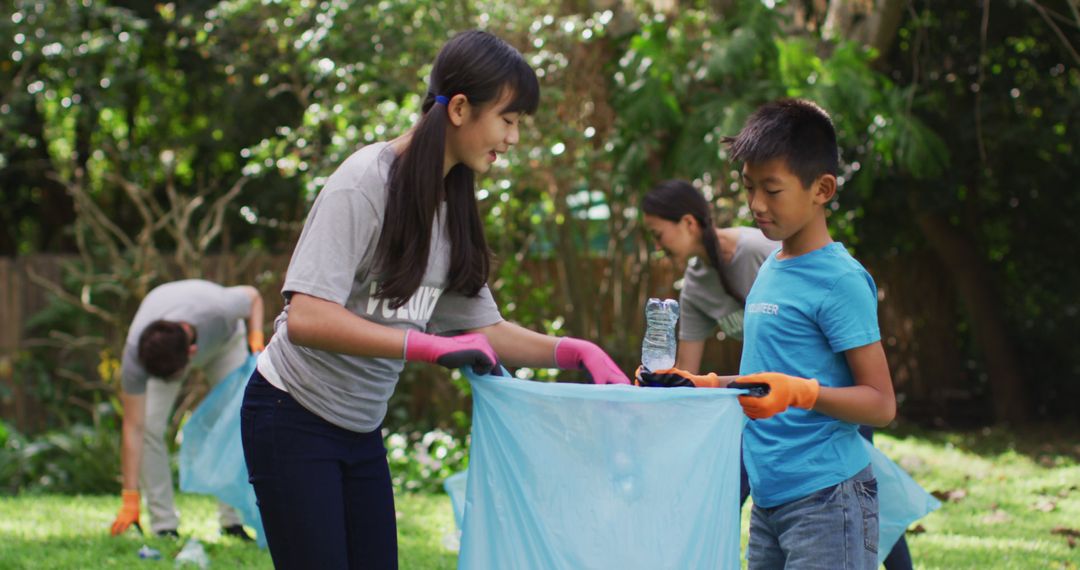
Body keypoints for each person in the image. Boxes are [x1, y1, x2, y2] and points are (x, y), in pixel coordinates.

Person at [241, 29, 629, 569]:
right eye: (509, 120)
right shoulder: (364, 183)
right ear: (461, 109)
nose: (513, 138)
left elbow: (482, 328)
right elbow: (306, 317)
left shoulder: (450, 206)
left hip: (360, 428)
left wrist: (573, 351)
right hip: (292, 415)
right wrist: (423, 347)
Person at [641, 99, 896, 569]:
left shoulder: (839, 279)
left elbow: (881, 404)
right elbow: (764, 378)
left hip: (827, 499)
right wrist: (702, 385)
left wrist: (801, 393)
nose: (756, 204)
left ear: (822, 189)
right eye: (749, 188)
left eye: (772, 190)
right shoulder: (772, 269)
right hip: (769, 499)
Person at [110, 279, 265, 540]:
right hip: (170, 348)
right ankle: (164, 525)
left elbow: (253, 296)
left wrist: (256, 336)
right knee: (149, 426)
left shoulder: (221, 309)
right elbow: (133, 427)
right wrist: (130, 498)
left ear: (192, 353)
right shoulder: (137, 355)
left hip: (225, 341)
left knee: (235, 423)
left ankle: (232, 521)